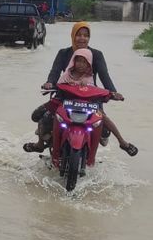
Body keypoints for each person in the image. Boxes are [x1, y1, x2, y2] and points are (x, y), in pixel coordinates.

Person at [24, 22, 137, 156]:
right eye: (79, 35)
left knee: (104, 127)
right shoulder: (63, 53)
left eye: (86, 35)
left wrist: (113, 92)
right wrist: (49, 83)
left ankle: (121, 142)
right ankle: (40, 144)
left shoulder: (96, 55)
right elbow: (54, 73)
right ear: (73, 35)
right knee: (40, 116)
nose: (82, 38)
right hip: (65, 96)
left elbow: (104, 76)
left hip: (89, 97)